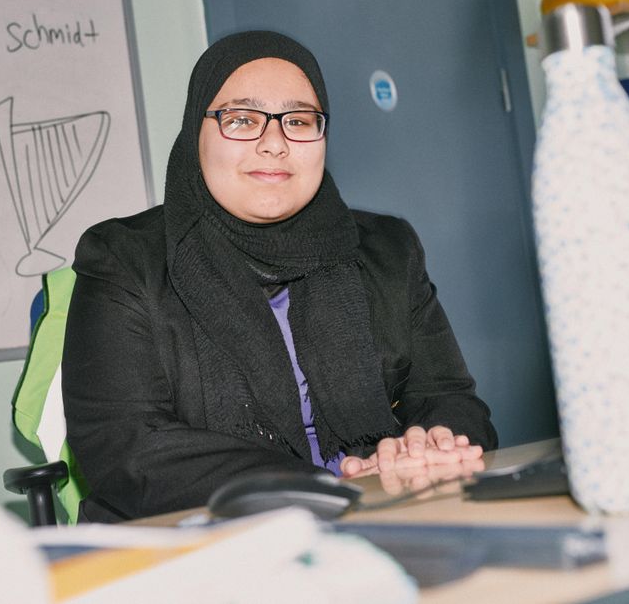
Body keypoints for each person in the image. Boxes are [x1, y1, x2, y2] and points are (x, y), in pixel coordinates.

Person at [62, 30, 497, 523]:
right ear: (195, 131)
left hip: (380, 517)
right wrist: (320, 484)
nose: (274, 143)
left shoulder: (387, 250)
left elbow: (453, 401)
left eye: (299, 121)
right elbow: (126, 451)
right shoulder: (123, 258)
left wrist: (428, 444)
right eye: (242, 119)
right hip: (199, 542)